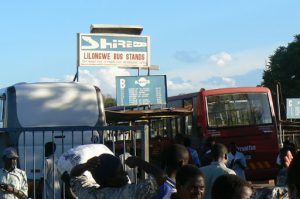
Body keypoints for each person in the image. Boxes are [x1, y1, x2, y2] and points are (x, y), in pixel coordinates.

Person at [70, 153, 166, 199]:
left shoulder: (88, 194)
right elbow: (161, 177)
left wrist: (85, 166)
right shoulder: (129, 193)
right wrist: (138, 161)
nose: (126, 174)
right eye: (120, 172)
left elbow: (74, 176)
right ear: (110, 180)